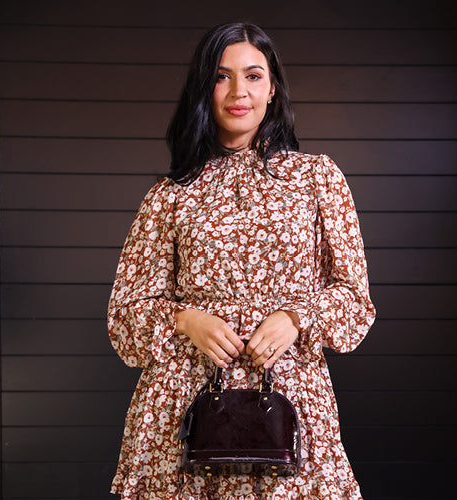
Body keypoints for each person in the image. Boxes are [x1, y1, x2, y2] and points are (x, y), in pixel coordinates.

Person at [108, 22, 375, 500]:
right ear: (203, 88)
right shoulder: (170, 196)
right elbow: (124, 320)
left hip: (289, 403)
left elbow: (355, 302)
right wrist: (185, 320)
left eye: (253, 76)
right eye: (221, 75)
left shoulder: (318, 179)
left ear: (272, 89)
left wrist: (299, 316)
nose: (238, 91)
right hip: (182, 410)